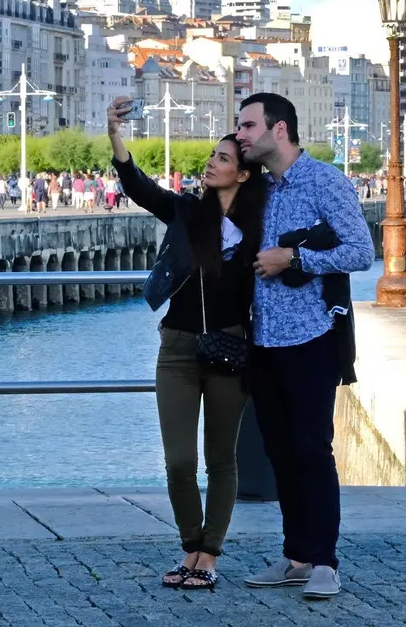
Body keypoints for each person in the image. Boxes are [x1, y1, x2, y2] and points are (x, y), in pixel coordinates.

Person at [107, 96, 266, 591]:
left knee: (222, 458)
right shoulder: (184, 211)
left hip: (230, 349)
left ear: (242, 175)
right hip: (176, 349)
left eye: (223, 158)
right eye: (213, 155)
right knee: (179, 460)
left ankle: (208, 556)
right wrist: (116, 133)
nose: (212, 162)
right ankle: (189, 545)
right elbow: (136, 185)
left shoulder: (258, 229)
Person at [235, 93, 374, 600]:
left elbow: (361, 251)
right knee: (280, 452)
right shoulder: (257, 189)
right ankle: (296, 556)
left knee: (313, 450)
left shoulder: (325, 181)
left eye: (249, 126)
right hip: (264, 341)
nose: (241, 135)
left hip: (311, 337)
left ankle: (325, 561)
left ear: (280, 129)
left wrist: (292, 259)